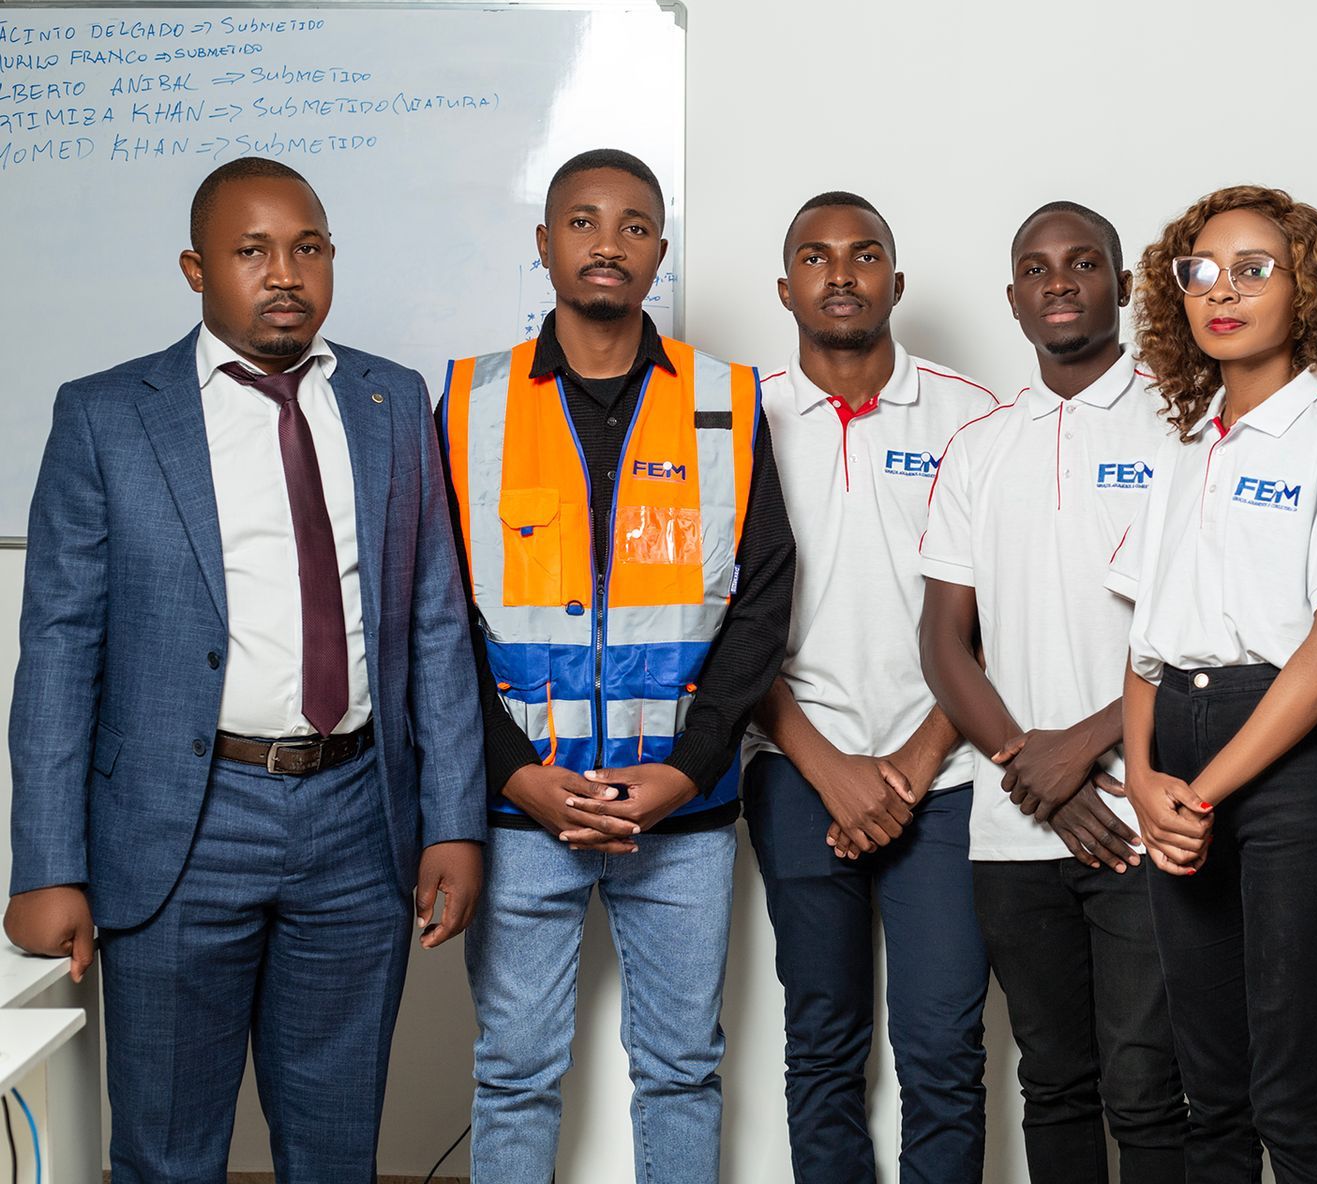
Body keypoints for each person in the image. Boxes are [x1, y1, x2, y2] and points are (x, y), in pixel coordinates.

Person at [4, 157, 485, 1182]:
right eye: (252, 250)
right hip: (182, 825)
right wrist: (47, 863)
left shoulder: (391, 402)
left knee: (335, 1143)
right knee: (168, 1148)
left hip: (360, 817)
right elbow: (56, 648)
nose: (284, 273)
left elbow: (436, 624)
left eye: (307, 247)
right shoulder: (107, 416)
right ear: (195, 267)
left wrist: (453, 818)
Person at [443, 148, 794, 1181]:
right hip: (521, 812)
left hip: (679, 814)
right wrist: (514, 772)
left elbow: (763, 598)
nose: (609, 241)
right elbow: (436, 614)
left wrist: (686, 767)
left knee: (683, 1068)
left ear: (660, 251)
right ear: (545, 242)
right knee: (513, 1071)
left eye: (635, 224)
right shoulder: (470, 402)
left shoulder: (727, 397)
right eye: (584, 221)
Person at [1108, 185, 1317, 1182]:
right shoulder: (1179, 436)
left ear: (1304, 289)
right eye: (1200, 271)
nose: (1222, 291)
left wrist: (1208, 787)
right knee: (1208, 1083)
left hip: (1287, 759)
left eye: (1253, 269)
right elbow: (1144, 636)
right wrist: (1143, 777)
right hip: (1173, 749)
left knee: (1291, 1085)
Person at [920, 201, 1187, 1183]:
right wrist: (1031, 768)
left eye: (1083, 262)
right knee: (1055, 1078)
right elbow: (944, 643)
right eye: (1037, 267)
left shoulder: (1187, 425)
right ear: (1015, 299)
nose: (1060, 279)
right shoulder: (981, 448)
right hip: (1011, 826)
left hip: (1145, 814)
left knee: (1150, 1083)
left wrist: (1084, 747)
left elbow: (1214, 628)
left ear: (1121, 284)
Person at [746, 191, 998, 1184]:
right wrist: (828, 768)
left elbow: (997, 616)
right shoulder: (739, 413)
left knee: (943, 1049)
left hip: (946, 775)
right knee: (822, 1043)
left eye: (864, 255)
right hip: (794, 769)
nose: (841, 273)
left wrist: (912, 762)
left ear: (898, 280)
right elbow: (722, 620)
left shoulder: (971, 414)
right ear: (785, 285)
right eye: (816, 255)